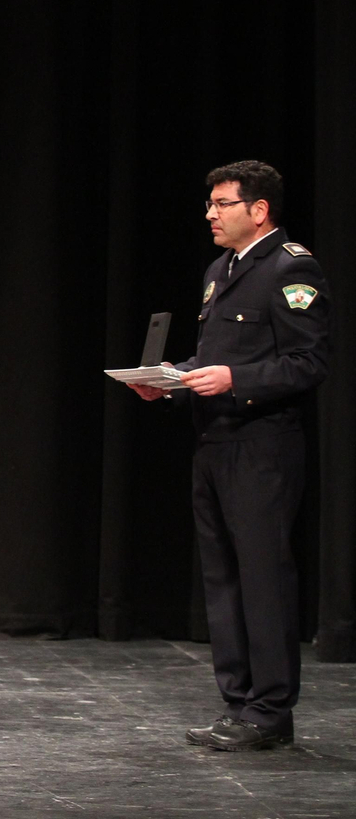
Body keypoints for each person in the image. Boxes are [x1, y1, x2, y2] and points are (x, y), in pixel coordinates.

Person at [131, 160, 329, 751]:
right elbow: (212, 354)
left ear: (258, 209)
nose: (210, 213)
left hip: (262, 447)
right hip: (214, 443)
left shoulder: (292, 268)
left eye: (222, 203)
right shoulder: (222, 269)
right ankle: (238, 702)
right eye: (211, 203)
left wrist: (235, 379)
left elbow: (309, 363)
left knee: (263, 579)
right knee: (223, 579)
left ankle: (270, 710)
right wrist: (171, 377)